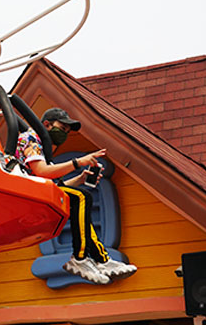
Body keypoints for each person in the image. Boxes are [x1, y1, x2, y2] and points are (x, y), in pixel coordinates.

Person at [7, 107, 137, 284]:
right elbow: (41, 171)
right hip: (26, 193)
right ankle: (80, 258)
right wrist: (78, 162)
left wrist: (80, 179)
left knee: (80, 205)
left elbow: (57, 187)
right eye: (62, 128)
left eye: (67, 132)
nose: (64, 134)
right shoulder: (31, 138)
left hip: (38, 191)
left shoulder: (44, 149)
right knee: (81, 197)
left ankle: (102, 259)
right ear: (47, 124)